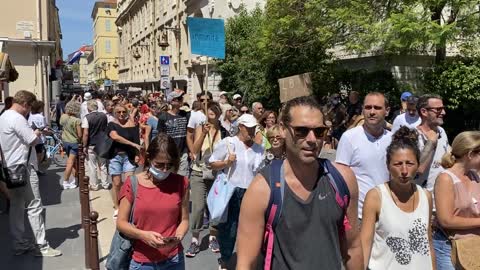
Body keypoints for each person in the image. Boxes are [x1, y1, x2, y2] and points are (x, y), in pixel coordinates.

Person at [236, 96, 362, 270]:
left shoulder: (342, 180)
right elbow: (245, 263)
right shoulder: (262, 189)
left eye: (319, 132)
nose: (311, 139)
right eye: (301, 131)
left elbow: (353, 248)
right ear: (282, 130)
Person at [361, 127, 434, 269]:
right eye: (398, 164)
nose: (405, 171)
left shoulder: (426, 196)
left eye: (410, 163)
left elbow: (428, 242)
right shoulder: (376, 197)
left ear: (418, 165)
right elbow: (365, 243)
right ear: (388, 166)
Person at [0, 90, 62, 257]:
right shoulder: (18, 119)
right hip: (25, 168)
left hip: (10, 167)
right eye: (29, 108)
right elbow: (32, 140)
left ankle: (19, 243)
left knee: (16, 206)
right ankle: (41, 246)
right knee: (34, 206)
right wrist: (37, 133)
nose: (29, 111)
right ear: (25, 105)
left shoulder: (3, 116)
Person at [116, 133, 189, 270]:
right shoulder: (132, 183)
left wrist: (177, 238)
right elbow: (121, 223)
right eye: (160, 165)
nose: (165, 170)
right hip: (142, 261)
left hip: (174, 259)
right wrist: (143, 235)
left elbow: (184, 220)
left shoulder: (181, 183)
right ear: (149, 159)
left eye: (170, 165)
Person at [208, 114, 264, 269]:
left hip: (251, 192)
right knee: (229, 229)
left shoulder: (259, 149)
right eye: (250, 128)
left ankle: (246, 262)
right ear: (241, 127)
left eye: (254, 128)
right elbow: (212, 163)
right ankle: (225, 261)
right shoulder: (229, 143)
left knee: (250, 230)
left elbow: (260, 171)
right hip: (232, 191)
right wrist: (226, 162)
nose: (253, 131)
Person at [336, 92, 392, 220]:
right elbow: (340, 178)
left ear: (387, 111)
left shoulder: (393, 139)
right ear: (362, 110)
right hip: (359, 216)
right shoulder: (349, 138)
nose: (372, 112)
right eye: (368, 107)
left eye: (377, 108)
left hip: (387, 214)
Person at [433, 131, 480, 270]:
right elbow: (446, 220)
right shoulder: (446, 179)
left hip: (473, 245)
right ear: (470, 154)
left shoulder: (474, 176)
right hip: (449, 248)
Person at [185, 102, 226, 257]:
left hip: (217, 173)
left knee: (215, 207)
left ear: (220, 113)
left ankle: (213, 236)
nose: (213, 111)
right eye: (210, 109)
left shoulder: (224, 131)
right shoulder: (200, 127)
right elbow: (194, 150)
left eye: (216, 109)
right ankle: (195, 239)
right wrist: (202, 134)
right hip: (199, 172)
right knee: (198, 207)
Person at [108, 104, 141, 218]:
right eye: (118, 112)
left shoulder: (132, 124)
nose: (121, 114)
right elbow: (115, 136)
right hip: (115, 156)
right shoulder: (112, 124)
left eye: (123, 112)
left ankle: (127, 205)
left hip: (129, 157)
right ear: (115, 113)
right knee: (117, 183)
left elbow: (137, 140)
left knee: (129, 182)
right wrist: (132, 144)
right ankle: (117, 206)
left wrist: (137, 154)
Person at [416, 94, 449, 192]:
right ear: (424, 112)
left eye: (443, 108)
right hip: (422, 197)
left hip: (442, 195)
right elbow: (418, 169)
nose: (443, 112)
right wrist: (430, 143)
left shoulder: (441, 131)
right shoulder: (413, 136)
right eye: (438, 109)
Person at [157, 91, 189, 177]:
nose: (181, 100)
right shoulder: (163, 116)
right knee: (170, 177)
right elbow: (160, 135)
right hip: (169, 153)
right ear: (171, 101)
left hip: (183, 153)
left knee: (182, 178)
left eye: (181, 98)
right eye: (178, 99)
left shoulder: (185, 114)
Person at [81, 100, 109, 191]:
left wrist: (84, 145)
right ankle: (105, 184)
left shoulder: (87, 118)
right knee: (103, 165)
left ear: (89, 108)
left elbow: (85, 133)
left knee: (92, 166)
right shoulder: (104, 116)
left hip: (91, 144)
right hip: (102, 143)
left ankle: (94, 185)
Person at [60, 100, 83, 190]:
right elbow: (80, 134)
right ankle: (65, 181)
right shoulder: (77, 120)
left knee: (72, 162)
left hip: (65, 141)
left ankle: (75, 180)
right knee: (70, 162)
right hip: (74, 142)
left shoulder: (63, 117)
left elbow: (61, 125)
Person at [28, 100, 50, 174]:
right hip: (39, 139)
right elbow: (44, 128)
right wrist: (48, 132)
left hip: (31, 137)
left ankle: (35, 169)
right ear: (39, 108)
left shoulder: (30, 115)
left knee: (33, 154)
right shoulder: (41, 117)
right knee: (39, 155)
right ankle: (36, 170)